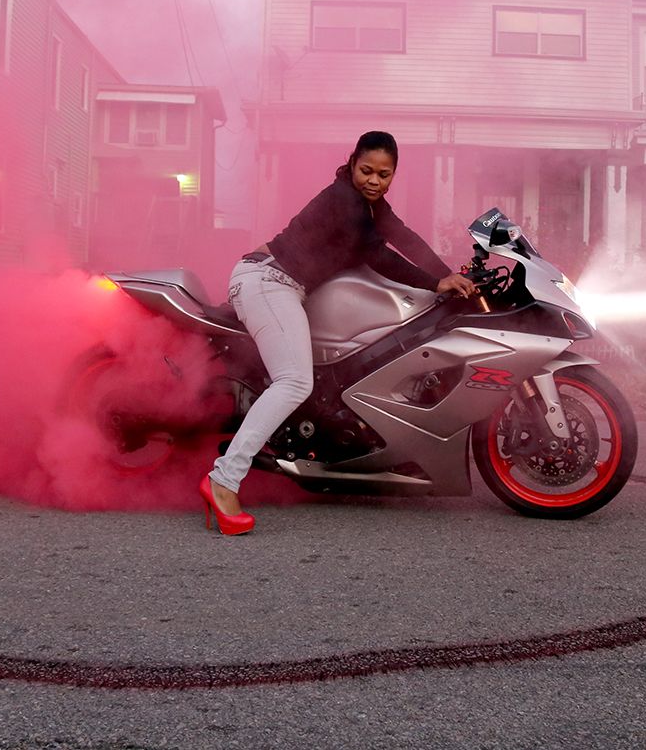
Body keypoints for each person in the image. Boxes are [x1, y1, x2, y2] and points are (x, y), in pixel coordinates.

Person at [199, 131, 477, 535]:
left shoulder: (369, 205)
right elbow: (378, 254)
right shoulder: (345, 201)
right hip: (267, 280)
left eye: (384, 175)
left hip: (284, 284)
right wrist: (436, 284)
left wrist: (446, 273)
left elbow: (402, 237)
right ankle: (223, 480)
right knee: (294, 381)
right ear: (351, 164)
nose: (374, 181)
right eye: (366, 170)